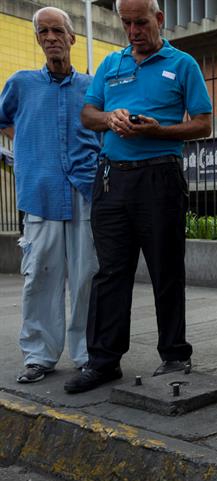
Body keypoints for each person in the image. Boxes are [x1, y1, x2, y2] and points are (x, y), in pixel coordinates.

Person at [64, 0, 212, 393]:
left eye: (141, 22)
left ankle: (175, 354)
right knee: (110, 272)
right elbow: (88, 114)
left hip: (159, 177)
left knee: (166, 268)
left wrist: (157, 130)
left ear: (158, 19)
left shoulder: (182, 65)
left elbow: (203, 123)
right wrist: (108, 119)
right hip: (112, 179)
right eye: (126, 23)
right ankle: (103, 361)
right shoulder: (111, 65)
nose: (133, 31)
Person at [0, 7, 100, 383]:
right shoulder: (21, 84)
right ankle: (39, 355)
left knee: (87, 274)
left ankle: (89, 353)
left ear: (72, 38)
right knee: (39, 276)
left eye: (58, 30)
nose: (51, 38)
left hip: (84, 192)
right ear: (38, 39)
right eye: (44, 32)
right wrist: (22, 143)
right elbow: (3, 119)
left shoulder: (92, 87)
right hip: (40, 193)